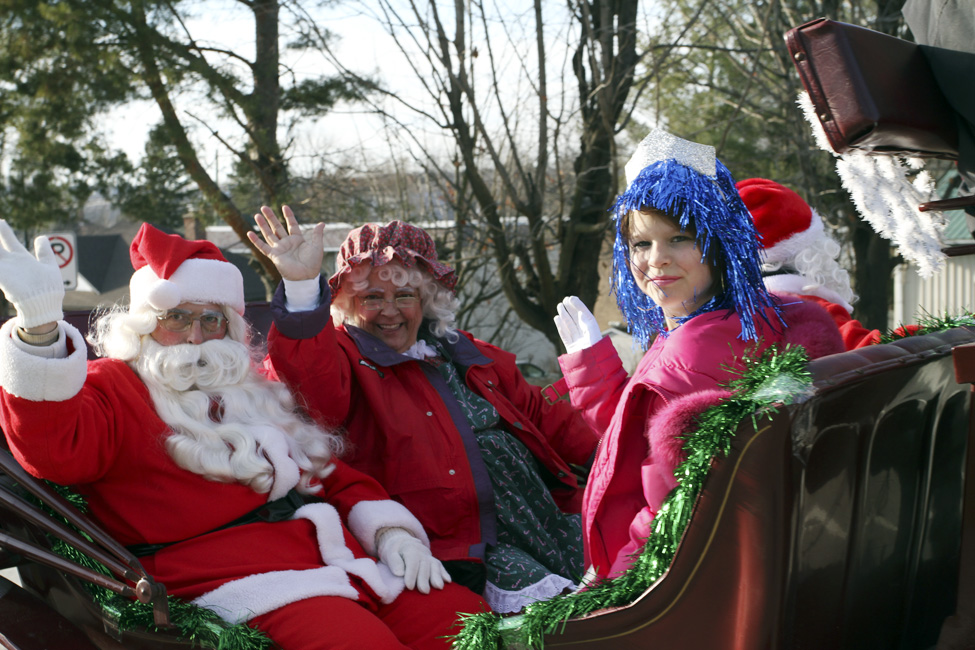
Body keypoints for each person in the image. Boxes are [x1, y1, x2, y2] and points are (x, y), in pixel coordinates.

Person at [0, 221, 486, 650]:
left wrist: (391, 532)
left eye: (210, 319)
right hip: (232, 581)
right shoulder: (113, 385)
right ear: (146, 325)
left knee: (466, 623)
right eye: (177, 318)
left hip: (337, 558)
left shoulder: (249, 387)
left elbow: (327, 472)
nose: (195, 336)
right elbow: (52, 452)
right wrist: (40, 333)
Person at [250, 210, 599, 614]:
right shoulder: (344, 356)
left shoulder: (469, 353)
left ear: (426, 300)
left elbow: (547, 419)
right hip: (461, 547)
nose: (390, 311)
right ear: (347, 303)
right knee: (561, 621)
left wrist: (615, 454)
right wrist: (300, 289)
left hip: (543, 521)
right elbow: (310, 384)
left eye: (404, 296)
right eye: (372, 298)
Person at [552, 129, 845, 583]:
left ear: (720, 242)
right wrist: (593, 365)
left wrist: (602, 597)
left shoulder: (691, 349)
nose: (656, 261)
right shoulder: (758, 318)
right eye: (641, 244)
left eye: (680, 238)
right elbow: (637, 443)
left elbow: (665, 519)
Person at [736, 177, 882, 349]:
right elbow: (870, 350)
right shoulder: (812, 311)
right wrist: (918, 336)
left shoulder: (730, 316)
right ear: (816, 250)